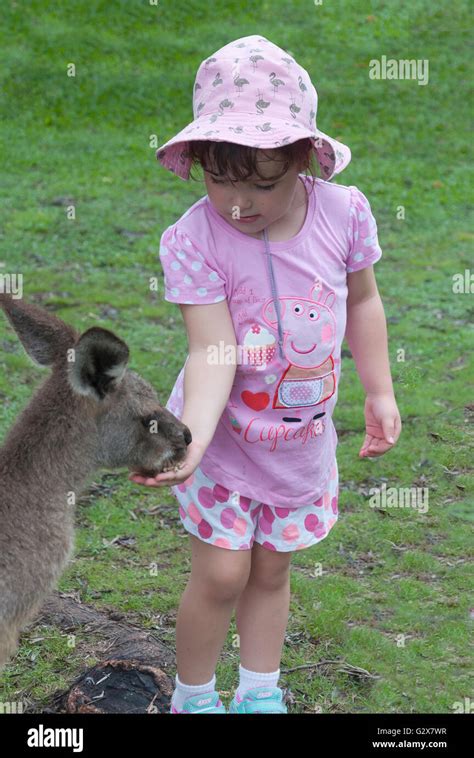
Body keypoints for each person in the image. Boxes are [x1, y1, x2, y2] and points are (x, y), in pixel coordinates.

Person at [130, 34, 402, 714]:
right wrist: (187, 438)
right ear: (199, 163)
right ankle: (193, 697)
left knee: (272, 567)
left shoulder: (345, 213)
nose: (239, 205)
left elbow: (364, 301)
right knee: (222, 571)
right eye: (221, 180)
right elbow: (212, 349)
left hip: (300, 449)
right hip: (222, 445)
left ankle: (259, 692)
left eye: (263, 185)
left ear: (303, 159)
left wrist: (379, 390)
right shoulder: (193, 239)